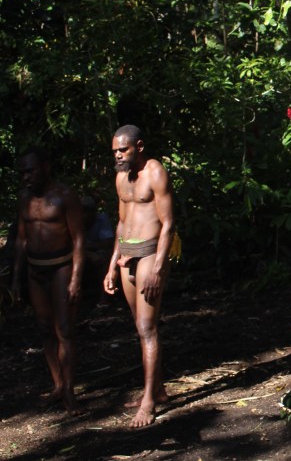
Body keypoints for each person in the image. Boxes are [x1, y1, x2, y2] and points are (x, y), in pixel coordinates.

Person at [103, 125, 174, 428]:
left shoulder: (155, 172)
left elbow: (168, 224)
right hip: (126, 255)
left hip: (149, 256)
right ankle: (157, 390)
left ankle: (148, 402)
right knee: (139, 327)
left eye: (123, 150)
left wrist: (158, 267)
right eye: (115, 151)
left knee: (147, 327)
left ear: (139, 146)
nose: (118, 155)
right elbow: (121, 224)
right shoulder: (121, 177)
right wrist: (111, 266)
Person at [12, 147, 86, 414]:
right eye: (22, 172)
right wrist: (16, 278)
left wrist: (76, 277)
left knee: (65, 329)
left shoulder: (65, 196)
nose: (26, 177)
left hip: (61, 268)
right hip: (35, 270)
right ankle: (57, 385)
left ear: (45, 167)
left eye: (30, 171)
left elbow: (78, 239)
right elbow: (21, 239)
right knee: (45, 328)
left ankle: (69, 390)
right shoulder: (23, 199)